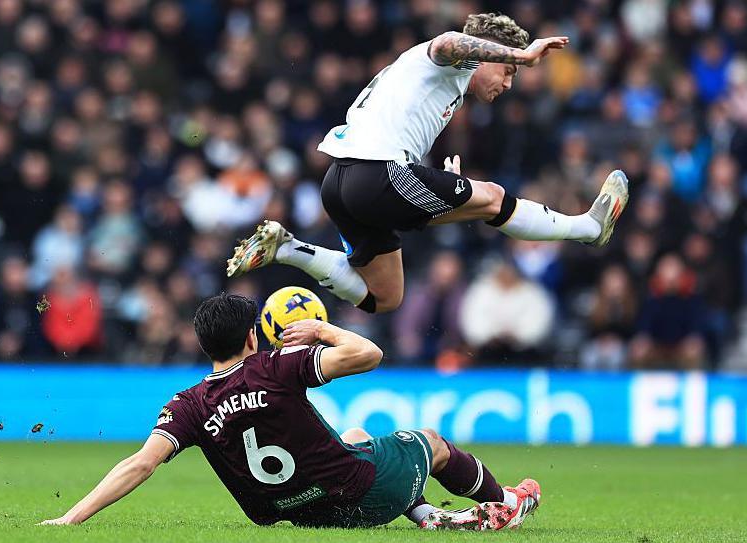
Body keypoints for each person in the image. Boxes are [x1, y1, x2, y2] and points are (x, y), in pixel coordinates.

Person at [227, 13, 629, 314]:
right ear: (486, 53)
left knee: (385, 297)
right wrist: (521, 55)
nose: (508, 83)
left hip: (340, 182)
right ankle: (588, 229)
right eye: (507, 72)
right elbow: (451, 41)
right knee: (492, 197)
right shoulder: (451, 60)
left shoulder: (437, 82)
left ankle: (289, 248)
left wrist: (444, 191)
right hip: (377, 172)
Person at [40, 294, 540, 530]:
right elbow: (370, 354)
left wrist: (71, 517)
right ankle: (507, 503)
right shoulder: (276, 366)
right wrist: (321, 331)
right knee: (429, 441)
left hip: (298, 514)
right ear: (251, 336)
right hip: (357, 496)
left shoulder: (187, 404)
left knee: (356, 434)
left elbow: (140, 464)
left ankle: (430, 518)